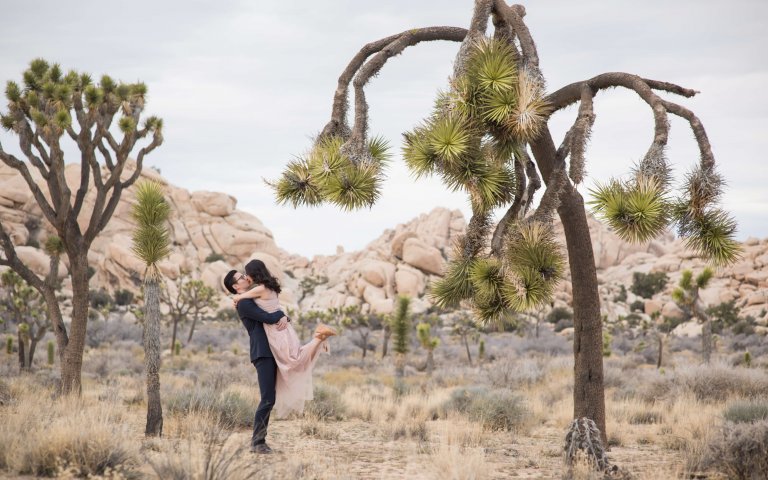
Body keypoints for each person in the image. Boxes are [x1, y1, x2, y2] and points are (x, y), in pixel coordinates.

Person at [223, 260, 336, 453]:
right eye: (240, 277)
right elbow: (268, 316)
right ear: (235, 286)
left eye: (244, 274)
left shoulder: (251, 298)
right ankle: (257, 443)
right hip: (264, 353)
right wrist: (282, 316)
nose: (244, 277)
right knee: (267, 398)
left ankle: (259, 442)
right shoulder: (244, 304)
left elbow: (273, 309)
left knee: (273, 394)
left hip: (273, 348)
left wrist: (284, 316)